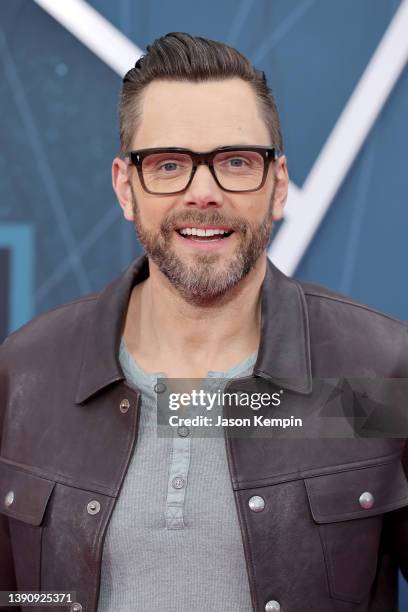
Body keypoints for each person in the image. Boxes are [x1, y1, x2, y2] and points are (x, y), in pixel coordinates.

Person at [0, 31, 407, 612]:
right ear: (125, 186)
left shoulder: (382, 372)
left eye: (235, 161)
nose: (204, 192)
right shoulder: (25, 374)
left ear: (279, 183)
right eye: (168, 165)